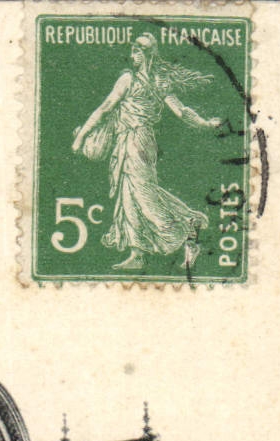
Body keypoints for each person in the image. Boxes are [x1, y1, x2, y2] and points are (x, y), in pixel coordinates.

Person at [71, 35, 225, 270]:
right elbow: (181, 111)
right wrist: (204, 123)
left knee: (143, 196)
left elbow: (104, 109)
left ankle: (186, 236)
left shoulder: (129, 79)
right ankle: (138, 254)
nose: (132, 56)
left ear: (144, 53)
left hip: (136, 141)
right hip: (132, 141)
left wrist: (81, 136)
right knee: (129, 195)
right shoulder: (158, 81)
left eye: (135, 51)